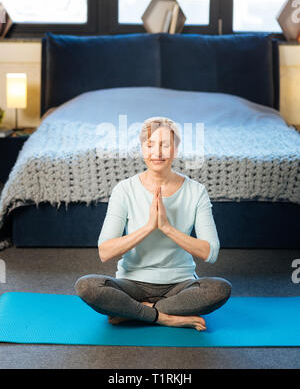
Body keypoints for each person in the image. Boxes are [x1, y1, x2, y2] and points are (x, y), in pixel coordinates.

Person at [75, 117, 232, 331]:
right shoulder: (125, 189)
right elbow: (105, 251)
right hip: (131, 284)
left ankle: (134, 312)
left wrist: (166, 227)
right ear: (142, 149)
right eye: (150, 145)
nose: (157, 153)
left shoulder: (196, 191)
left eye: (165, 145)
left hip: (180, 284)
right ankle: (165, 317)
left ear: (175, 150)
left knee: (220, 289)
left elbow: (210, 252)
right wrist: (149, 227)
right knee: (87, 286)